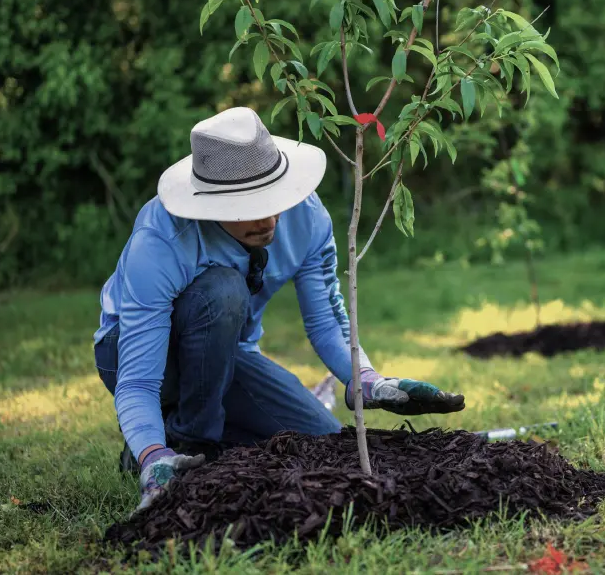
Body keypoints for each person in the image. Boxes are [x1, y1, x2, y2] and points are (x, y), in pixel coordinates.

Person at [92, 107, 465, 511]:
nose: (269, 218)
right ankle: (177, 443)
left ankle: (179, 434)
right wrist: (153, 455)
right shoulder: (163, 240)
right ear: (211, 204)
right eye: (247, 206)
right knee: (224, 289)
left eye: (273, 199)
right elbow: (138, 380)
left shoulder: (307, 217)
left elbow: (326, 320)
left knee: (321, 439)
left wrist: (368, 381)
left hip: (226, 355)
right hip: (135, 355)